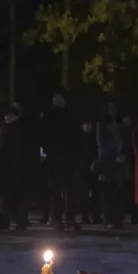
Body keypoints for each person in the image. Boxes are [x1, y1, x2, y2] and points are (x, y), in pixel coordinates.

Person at [41, 90, 81, 231]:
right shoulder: (48, 115)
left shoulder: (70, 115)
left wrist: (76, 153)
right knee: (56, 190)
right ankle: (56, 218)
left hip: (69, 158)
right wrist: (48, 152)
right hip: (55, 158)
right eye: (56, 98)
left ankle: (70, 218)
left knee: (71, 190)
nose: (59, 100)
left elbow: (76, 135)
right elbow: (43, 135)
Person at [0, 105, 32, 230]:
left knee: (18, 196)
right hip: (5, 167)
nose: (7, 117)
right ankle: (4, 221)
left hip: (17, 167)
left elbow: (23, 148)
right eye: (6, 115)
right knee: (6, 196)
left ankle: (20, 221)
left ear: (15, 116)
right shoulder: (3, 127)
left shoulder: (21, 128)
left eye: (10, 115)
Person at [96, 101, 132, 229]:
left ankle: (118, 218)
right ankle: (108, 217)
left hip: (120, 161)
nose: (112, 110)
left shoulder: (121, 124)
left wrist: (123, 154)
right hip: (108, 161)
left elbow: (126, 141)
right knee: (108, 190)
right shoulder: (102, 125)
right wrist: (113, 156)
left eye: (114, 107)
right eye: (110, 107)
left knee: (119, 190)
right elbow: (101, 143)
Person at [77, 121, 101, 225]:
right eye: (86, 124)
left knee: (96, 192)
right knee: (83, 193)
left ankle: (96, 215)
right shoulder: (79, 138)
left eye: (90, 124)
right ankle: (85, 215)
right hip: (82, 168)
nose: (88, 126)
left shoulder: (95, 138)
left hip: (94, 167)